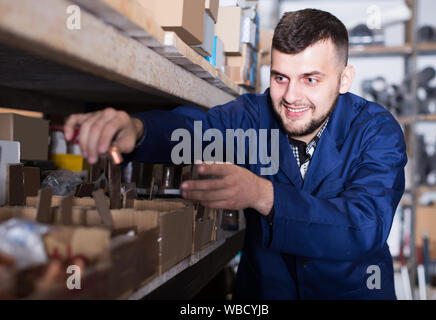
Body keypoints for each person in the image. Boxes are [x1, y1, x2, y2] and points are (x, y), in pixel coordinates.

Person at [64, 9, 407, 299]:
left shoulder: (376, 130)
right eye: (280, 78)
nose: (291, 96)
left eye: (310, 79)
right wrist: (137, 130)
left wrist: (264, 195)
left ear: (344, 79)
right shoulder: (254, 115)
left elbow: (365, 225)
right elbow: (193, 132)